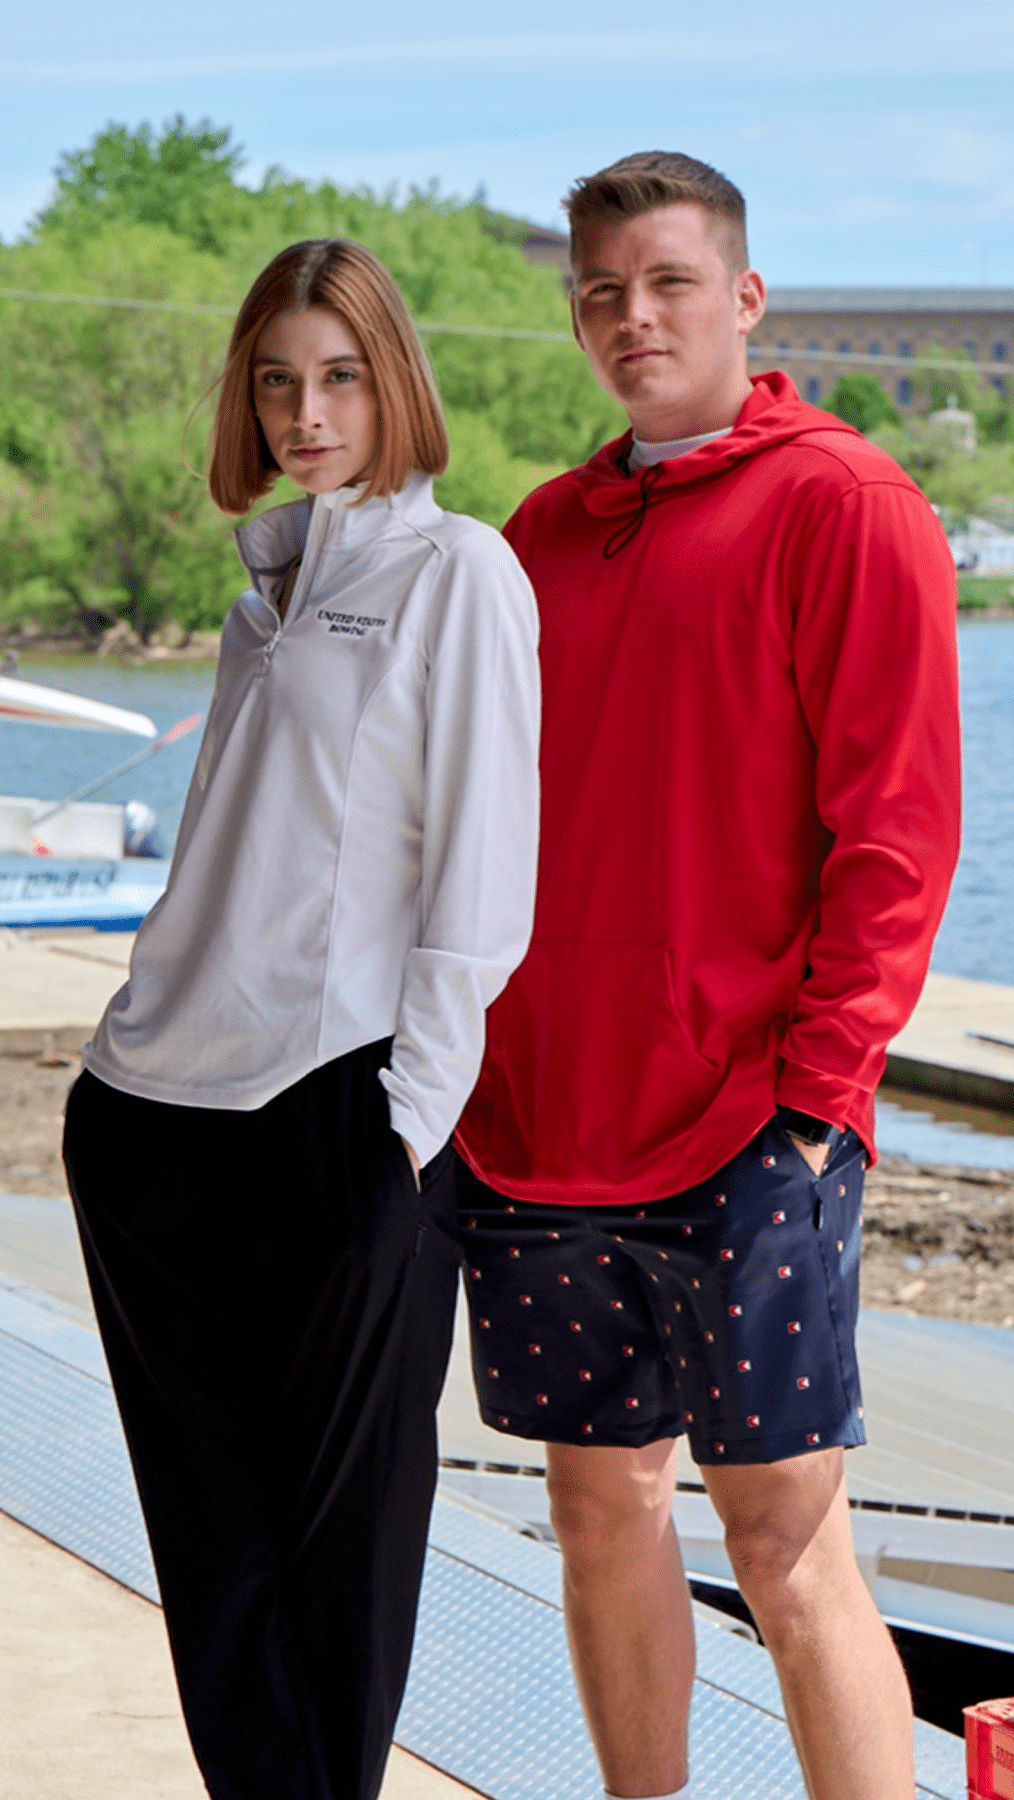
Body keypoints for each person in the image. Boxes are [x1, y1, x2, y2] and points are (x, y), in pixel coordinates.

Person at [454, 152, 960, 1800]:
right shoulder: (545, 531)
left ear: (745, 298)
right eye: (602, 292)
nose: (635, 317)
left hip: (753, 1120)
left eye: (670, 282)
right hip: (546, 1120)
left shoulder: (847, 503)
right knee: (597, 1511)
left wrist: (821, 1096)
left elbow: (899, 832)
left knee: (784, 1542)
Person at [62, 238, 540, 1800]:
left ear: (395, 380)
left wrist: (407, 1127)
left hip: (335, 1113)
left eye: (338, 376)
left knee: (340, 1565)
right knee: (215, 1555)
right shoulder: (263, 595)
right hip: (150, 1115)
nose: (305, 412)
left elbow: (481, 875)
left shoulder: (458, 572)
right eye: (276, 382)